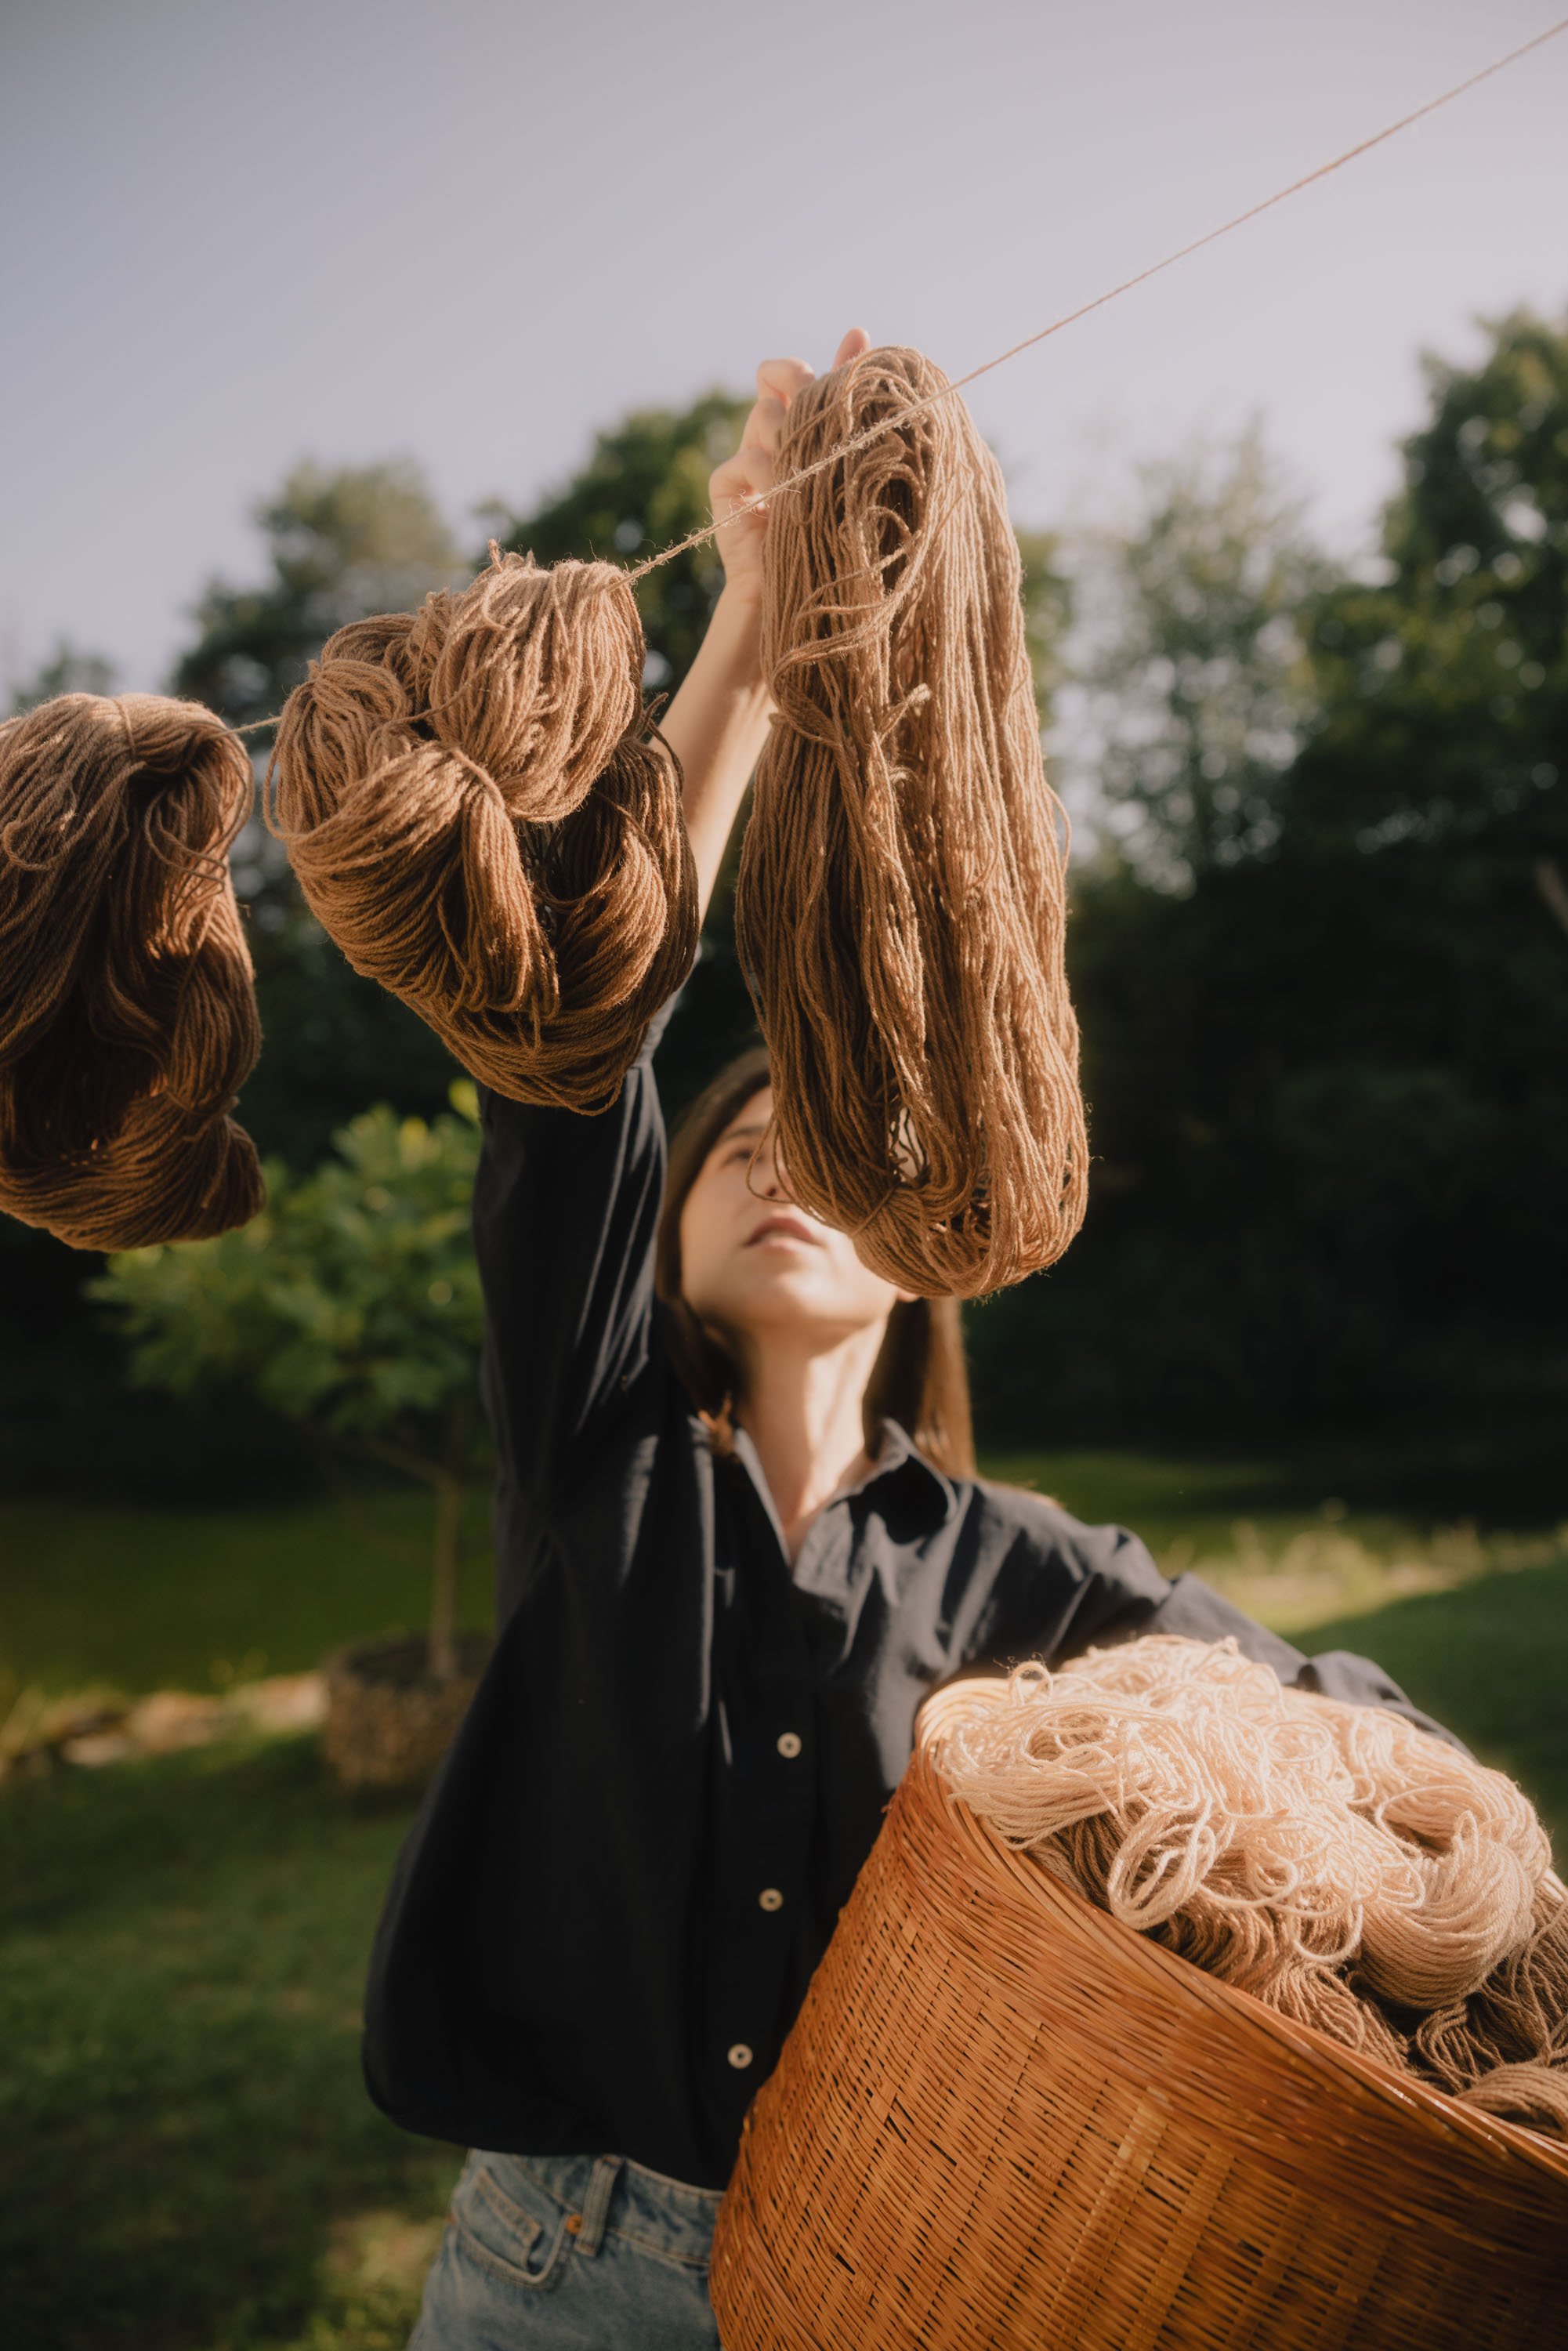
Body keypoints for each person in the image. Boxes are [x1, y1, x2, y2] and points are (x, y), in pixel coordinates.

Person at [368, 334, 1447, 2351]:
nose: (777, 1164)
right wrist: (759, 632)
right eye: (732, 1151)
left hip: (901, 2270)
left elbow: (1350, 1720)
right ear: (660, 1243)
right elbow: (577, 1056)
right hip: (552, 2271)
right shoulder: (600, 1462)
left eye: (820, 1150)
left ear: (914, 1248)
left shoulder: (1026, 1576)